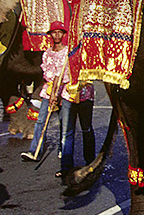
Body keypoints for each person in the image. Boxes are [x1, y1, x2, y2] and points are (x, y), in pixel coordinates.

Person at [22, 23, 75, 163]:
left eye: (59, 32)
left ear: (63, 34)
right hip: (49, 90)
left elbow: (63, 75)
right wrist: (51, 93)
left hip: (63, 91)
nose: (57, 35)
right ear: (50, 34)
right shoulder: (47, 53)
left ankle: (63, 150)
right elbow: (47, 74)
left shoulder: (67, 53)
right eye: (54, 32)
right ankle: (35, 151)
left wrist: (56, 95)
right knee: (41, 120)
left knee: (64, 122)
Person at [59, 22, 95, 182]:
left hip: (85, 96)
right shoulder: (66, 52)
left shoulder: (90, 53)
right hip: (69, 96)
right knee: (67, 131)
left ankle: (90, 162)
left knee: (87, 129)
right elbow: (59, 74)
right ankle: (65, 166)